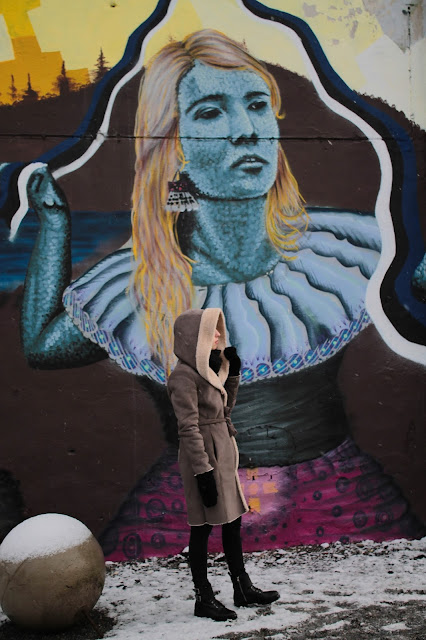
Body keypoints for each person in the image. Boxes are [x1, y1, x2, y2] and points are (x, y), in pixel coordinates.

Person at [17, 28, 422, 555]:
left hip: (342, 504)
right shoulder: (137, 284)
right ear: (174, 148)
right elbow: (43, 346)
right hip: (188, 514)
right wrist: (53, 224)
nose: (246, 131)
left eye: (257, 105)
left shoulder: (342, 251)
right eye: (210, 113)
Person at [167, 307, 279, 620]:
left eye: (218, 329)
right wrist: (203, 472)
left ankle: (242, 587)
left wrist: (232, 375)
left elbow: (224, 411)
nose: (218, 334)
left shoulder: (209, 369)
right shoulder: (182, 377)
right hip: (203, 457)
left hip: (223, 453)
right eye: (210, 330)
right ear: (194, 337)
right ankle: (203, 597)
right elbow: (188, 427)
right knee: (202, 527)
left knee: (232, 521)